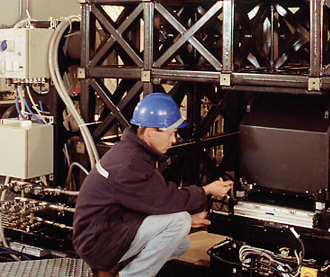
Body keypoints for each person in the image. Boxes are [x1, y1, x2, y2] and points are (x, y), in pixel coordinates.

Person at [73, 92, 233, 277]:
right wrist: (206, 190)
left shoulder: (131, 152)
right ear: (150, 132)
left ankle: (116, 269)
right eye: (171, 134)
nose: (174, 140)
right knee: (179, 222)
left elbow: (149, 201)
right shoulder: (130, 164)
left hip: (106, 231)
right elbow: (165, 200)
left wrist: (192, 219)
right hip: (98, 243)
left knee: (181, 243)